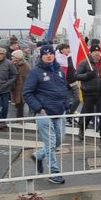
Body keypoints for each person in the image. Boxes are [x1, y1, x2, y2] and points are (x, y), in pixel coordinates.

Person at [23, 44, 68, 185]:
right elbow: (27, 93)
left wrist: (67, 104)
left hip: (59, 112)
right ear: (41, 56)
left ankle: (38, 156)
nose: (49, 56)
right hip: (45, 114)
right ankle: (54, 172)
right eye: (45, 54)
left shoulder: (59, 70)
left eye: (51, 54)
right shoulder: (35, 72)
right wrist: (39, 109)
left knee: (58, 141)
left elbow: (64, 88)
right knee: (50, 143)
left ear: (54, 55)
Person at [75, 45, 101, 144]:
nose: (97, 53)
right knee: (87, 114)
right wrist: (87, 75)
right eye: (94, 51)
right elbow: (76, 76)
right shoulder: (84, 63)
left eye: (98, 51)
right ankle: (82, 130)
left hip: (100, 93)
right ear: (90, 52)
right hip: (88, 93)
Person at [10, 50, 30, 119]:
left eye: (14, 57)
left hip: (22, 86)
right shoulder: (13, 64)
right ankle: (19, 117)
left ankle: (20, 118)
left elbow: (27, 76)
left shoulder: (25, 65)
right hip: (15, 86)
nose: (12, 58)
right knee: (17, 103)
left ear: (18, 58)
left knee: (20, 103)